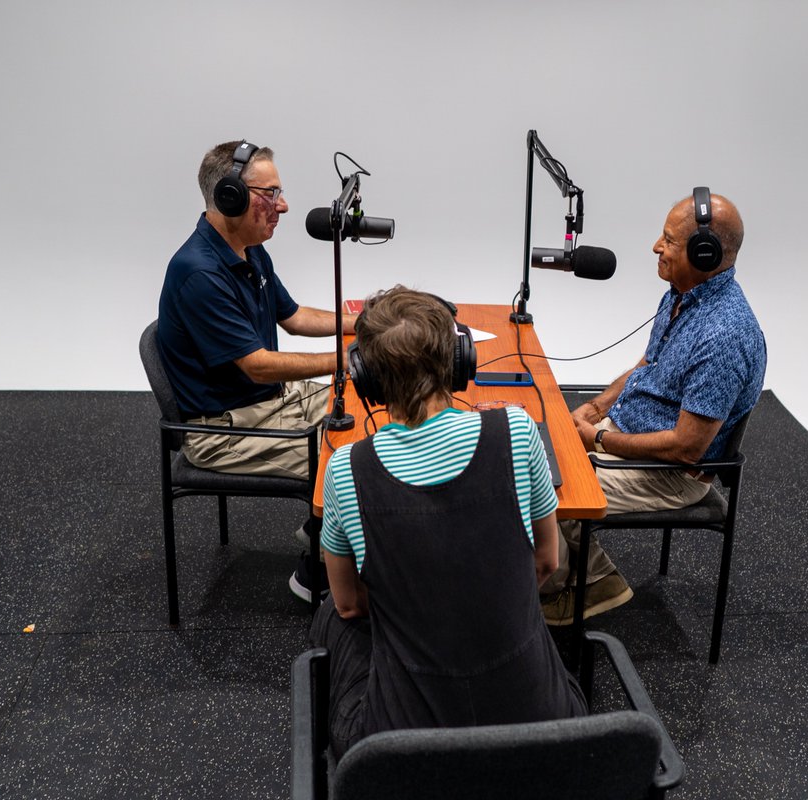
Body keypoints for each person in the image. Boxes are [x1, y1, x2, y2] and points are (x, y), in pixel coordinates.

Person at [309, 286, 586, 757]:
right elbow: (546, 561)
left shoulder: (345, 470)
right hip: (543, 731)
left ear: (366, 378)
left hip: (400, 751)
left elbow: (351, 605)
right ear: (460, 360)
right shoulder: (518, 431)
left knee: (329, 616)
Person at [540, 189, 767, 626]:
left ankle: (583, 587)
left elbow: (686, 448)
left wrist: (598, 438)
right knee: (539, 448)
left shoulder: (724, 336)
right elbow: (649, 364)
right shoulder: (681, 295)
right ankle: (587, 574)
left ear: (704, 253)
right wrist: (597, 408)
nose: (655, 246)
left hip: (670, 473)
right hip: (628, 438)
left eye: (669, 240)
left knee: (549, 488)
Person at [156, 139, 355, 481]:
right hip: (225, 431)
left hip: (273, 400)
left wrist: (362, 324)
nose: (283, 206)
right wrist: (347, 360)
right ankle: (330, 513)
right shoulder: (199, 273)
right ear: (230, 197)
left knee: (369, 406)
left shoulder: (249, 249)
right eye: (270, 193)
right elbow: (258, 366)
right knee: (350, 462)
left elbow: (294, 317)